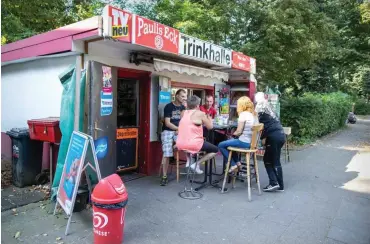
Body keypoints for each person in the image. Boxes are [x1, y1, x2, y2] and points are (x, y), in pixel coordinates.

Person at [176, 95, 218, 174]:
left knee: (191, 139)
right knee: (215, 150)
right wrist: (209, 117)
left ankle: (190, 161)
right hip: (193, 144)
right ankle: (195, 164)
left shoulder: (183, 113)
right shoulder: (200, 113)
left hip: (180, 143)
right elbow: (210, 127)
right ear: (197, 105)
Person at [254, 92, 286, 192]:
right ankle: (280, 185)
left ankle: (274, 183)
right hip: (281, 134)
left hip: (273, 136)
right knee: (275, 160)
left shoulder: (259, 106)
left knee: (268, 160)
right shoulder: (270, 106)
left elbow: (257, 124)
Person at [218, 96, 257, 172]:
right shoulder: (253, 114)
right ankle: (238, 163)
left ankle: (233, 164)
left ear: (241, 105)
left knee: (221, 145)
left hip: (244, 142)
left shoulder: (243, 114)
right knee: (230, 143)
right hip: (251, 143)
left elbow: (238, 131)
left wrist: (231, 135)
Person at [160, 89, 187, 186]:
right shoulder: (169, 106)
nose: (185, 98)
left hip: (178, 131)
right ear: (176, 96)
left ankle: (176, 147)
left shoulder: (183, 107)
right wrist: (178, 129)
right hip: (168, 130)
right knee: (166, 153)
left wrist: (179, 129)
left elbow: (183, 122)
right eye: (182, 96)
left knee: (187, 144)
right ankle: (164, 176)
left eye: (185, 96)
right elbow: (167, 123)